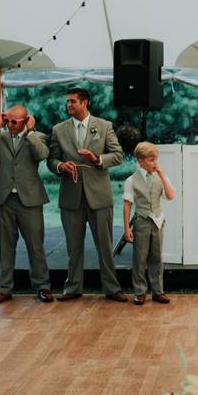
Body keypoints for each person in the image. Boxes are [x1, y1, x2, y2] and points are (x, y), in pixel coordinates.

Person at [47, 87, 126, 302]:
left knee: (105, 246)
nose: (68, 105)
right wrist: (61, 165)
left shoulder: (104, 126)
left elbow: (118, 155)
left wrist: (97, 158)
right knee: (73, 247)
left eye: (72, 101)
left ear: (85, 103)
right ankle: (73, 288)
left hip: (99, 196)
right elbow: (51, 160)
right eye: (67, 102)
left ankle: (112, 288)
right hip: (70, 197)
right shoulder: (58, 129)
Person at [0, 104, 54, 303]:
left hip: (29, 199)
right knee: (5, 246)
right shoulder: (1, 137)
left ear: (26, 120)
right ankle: (4, 289)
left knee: (35, 245)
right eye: (8, 121)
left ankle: (42, 286)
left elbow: (42, 155)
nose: (10, 125)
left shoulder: (37, 137)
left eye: (15, 122)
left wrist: (30, 131)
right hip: (4, 199)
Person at [122, 142, 175, 305]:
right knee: (140, 258)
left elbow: (170, 195)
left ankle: (158, 291)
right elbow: (127, 205)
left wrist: (163, 176)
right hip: (142, 221)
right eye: (151, 160)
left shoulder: (160, 177)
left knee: (156, 258)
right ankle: (139, 291)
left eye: (156, 159)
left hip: (157, 221)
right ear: (140, 161)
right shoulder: (131, 180)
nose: (155, 163)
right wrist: (126, 229)